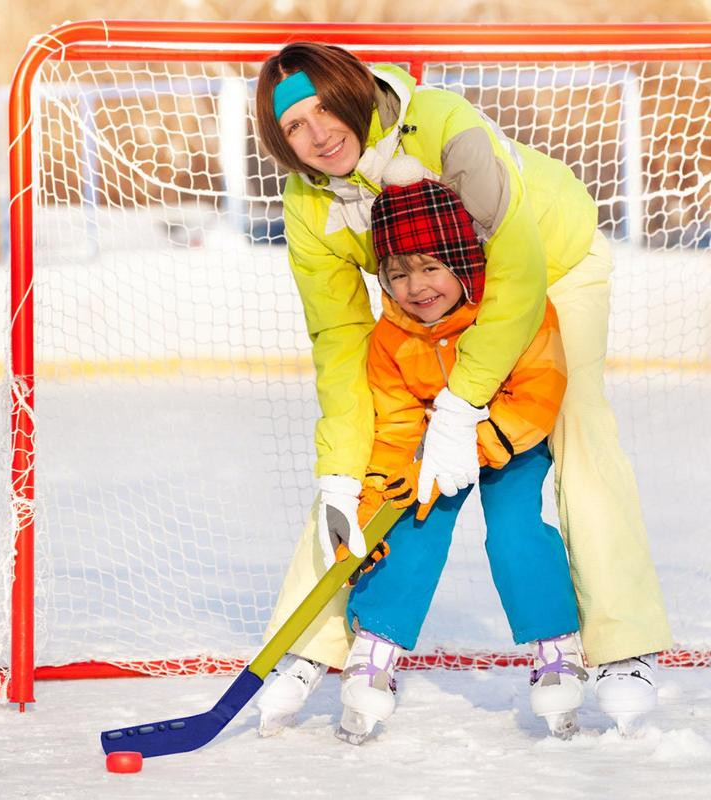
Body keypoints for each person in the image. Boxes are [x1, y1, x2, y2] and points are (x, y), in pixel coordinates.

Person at [253, 42, 670, 735]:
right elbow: (342, 346)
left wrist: (461, 405)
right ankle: (309, 643)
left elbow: (519, 270)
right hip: (432, 297)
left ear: (357, 94)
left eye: (326, 108)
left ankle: (622, 646)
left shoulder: (444, 125)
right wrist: (338, 478)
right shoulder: (308, 202)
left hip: (550, 263)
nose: (317, 132)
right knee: (360, 472)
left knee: (581, 426)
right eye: (294, 124)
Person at [331, 156, 586, 743]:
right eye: (396, 273)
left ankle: (555, 647)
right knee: (413, 525)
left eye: (429, 267)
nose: (414, 287)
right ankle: (375, 648)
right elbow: (394, 424)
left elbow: (541, 385)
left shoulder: (512, 308)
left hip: (510, 440)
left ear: (464, 259)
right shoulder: (389, 338)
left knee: (516, 529)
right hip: (435, 448)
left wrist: (485, 440)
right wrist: (377, 499)